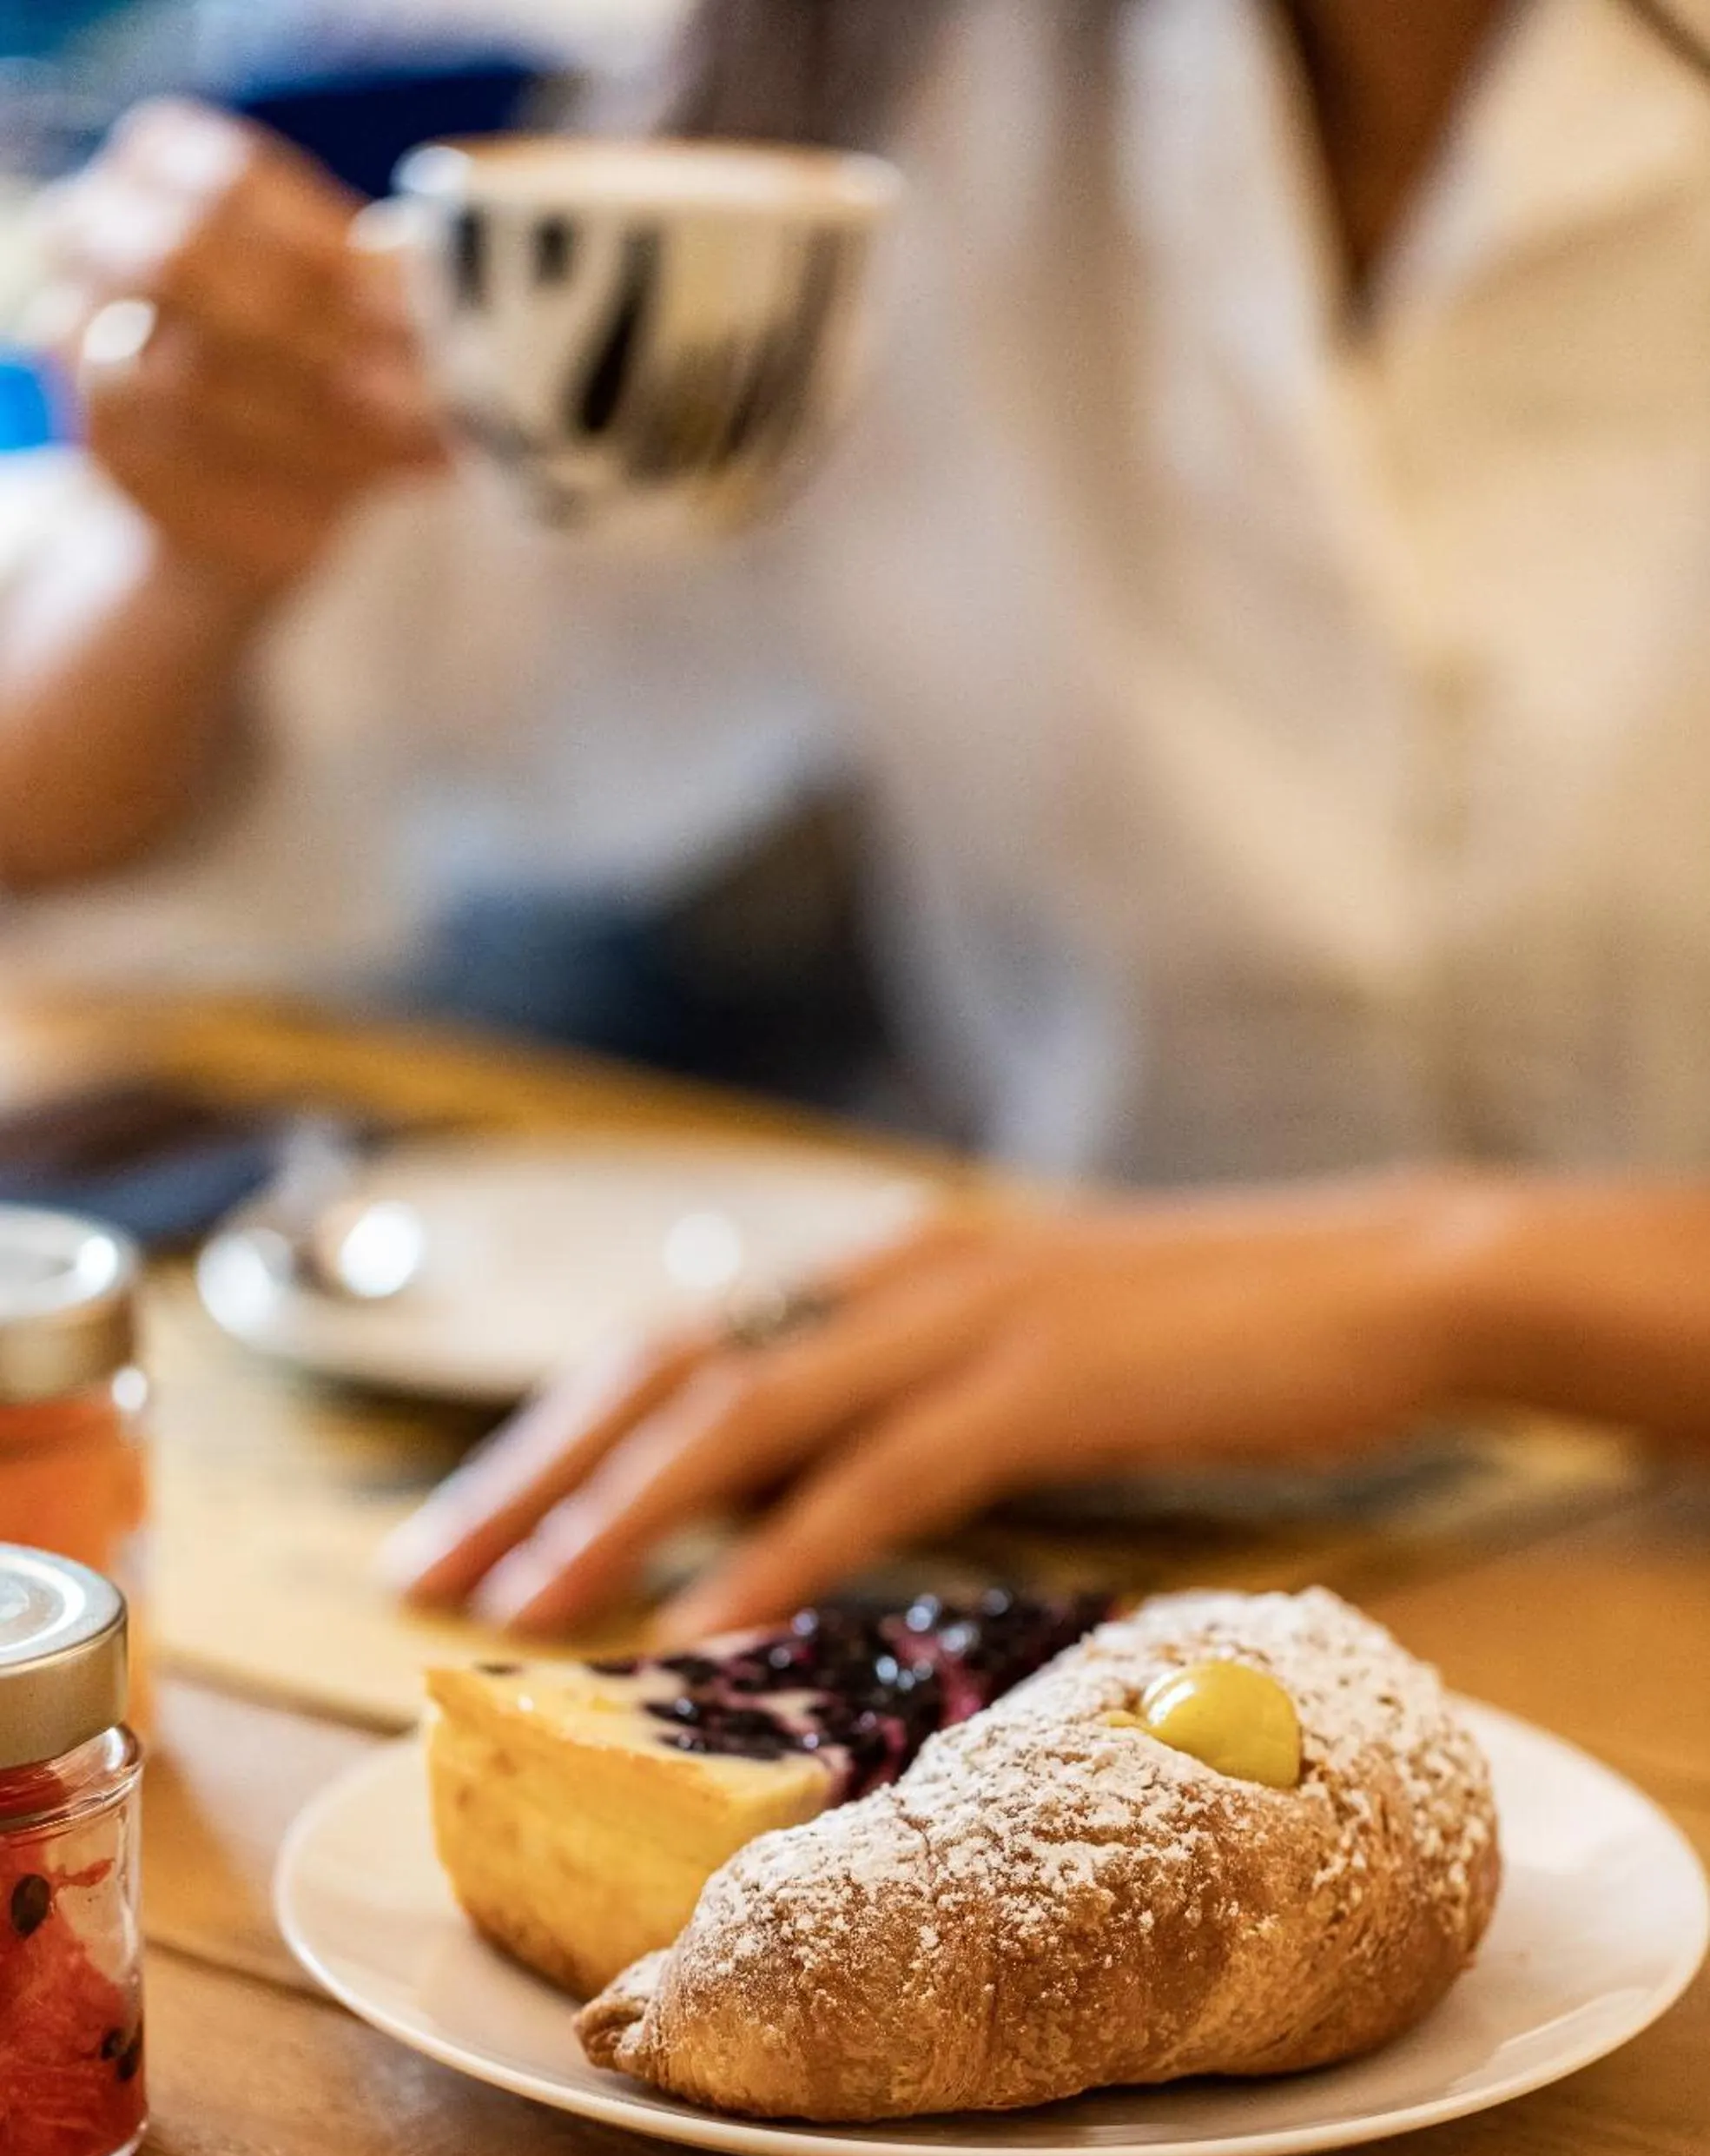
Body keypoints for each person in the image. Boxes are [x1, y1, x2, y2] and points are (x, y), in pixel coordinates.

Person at [17, 0, 1710, 1633]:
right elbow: (105, 812)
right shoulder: (894, 74)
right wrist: (197, 545)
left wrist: (1446, 1290)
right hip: (1151, 1557)